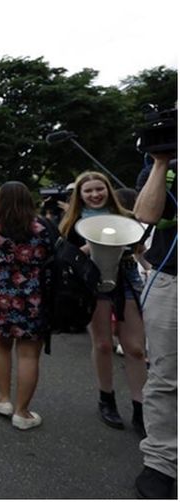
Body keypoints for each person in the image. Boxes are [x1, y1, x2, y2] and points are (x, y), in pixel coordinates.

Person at [59, 171, 147, 432]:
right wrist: (88, 248)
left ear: (108, 190)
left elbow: (140, 252)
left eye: (100, 189)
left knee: (135, 349)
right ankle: (106, 399)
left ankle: (141, 407)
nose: (95, 194)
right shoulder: (73, 223)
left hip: (126, 283)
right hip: (93, 287)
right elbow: (67, 256)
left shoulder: (127, 218)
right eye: (88, 191)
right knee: (104, 344)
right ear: (80, 195)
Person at [0, 181, 54, 430]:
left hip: (1, 296)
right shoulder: (42, 228)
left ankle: (2, 399)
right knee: (29, 354)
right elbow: (51, 260)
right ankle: (22, 412)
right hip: (34, 297)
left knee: (1, 347)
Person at [133, 153, 177, 499]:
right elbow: (146, 214)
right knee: (166, 377)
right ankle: (162, 462)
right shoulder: (163, 164)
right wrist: (162, 162)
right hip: (171, 280)